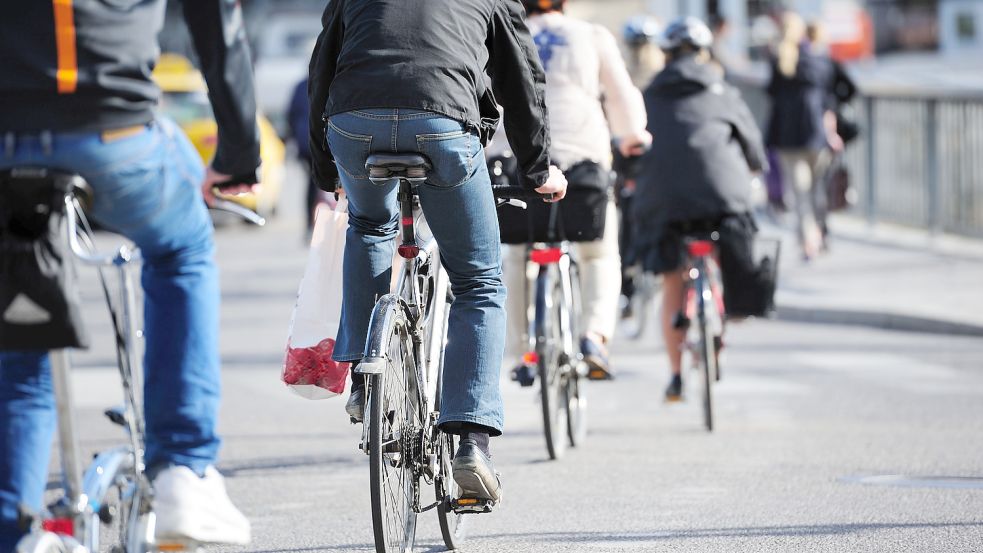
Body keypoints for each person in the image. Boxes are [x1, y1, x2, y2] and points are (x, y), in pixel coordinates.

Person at [0, 1, 260, 549]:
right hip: (113, 132)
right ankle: (184, 470)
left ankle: (13, 527)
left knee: (18, 328)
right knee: (183, 245)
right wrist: (238, 150)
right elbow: (217, 18)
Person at [307, 0, 567, 505]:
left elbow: (322, 66)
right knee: (478, 281)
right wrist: (537, 170)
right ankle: (471, 440)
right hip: (443, 121)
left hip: (354, 124)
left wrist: (324, 172)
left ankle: (367, 374)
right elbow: (522, 78)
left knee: (369, 223)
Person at [502, 0, 650, 381]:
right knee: (599, 253)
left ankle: (524, 353)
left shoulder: (500, 26)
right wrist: (633, 135)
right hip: (582, 154)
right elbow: (620, 94)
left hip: (516, 155)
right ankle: (594, 335)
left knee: (517, 255)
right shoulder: (592, 35)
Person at [632, 17, 766, 401]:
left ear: (666, 55)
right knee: (727, 244)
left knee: (673, 279)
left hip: (664, 200)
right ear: (705, 53)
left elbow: (632, 148)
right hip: (722, 197)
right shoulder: (723, 91)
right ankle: (721, 317)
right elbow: (754, 150)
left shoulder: (647, 94)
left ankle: (675, 376)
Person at [765, 12, 840, 260]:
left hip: (788, 137)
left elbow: (771, 92)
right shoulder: (819, 59)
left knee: (800, 193)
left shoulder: (780, 62)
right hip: (816, 134)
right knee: (817, 190)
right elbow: (830, 98)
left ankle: (809, 239)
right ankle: (819, 234)